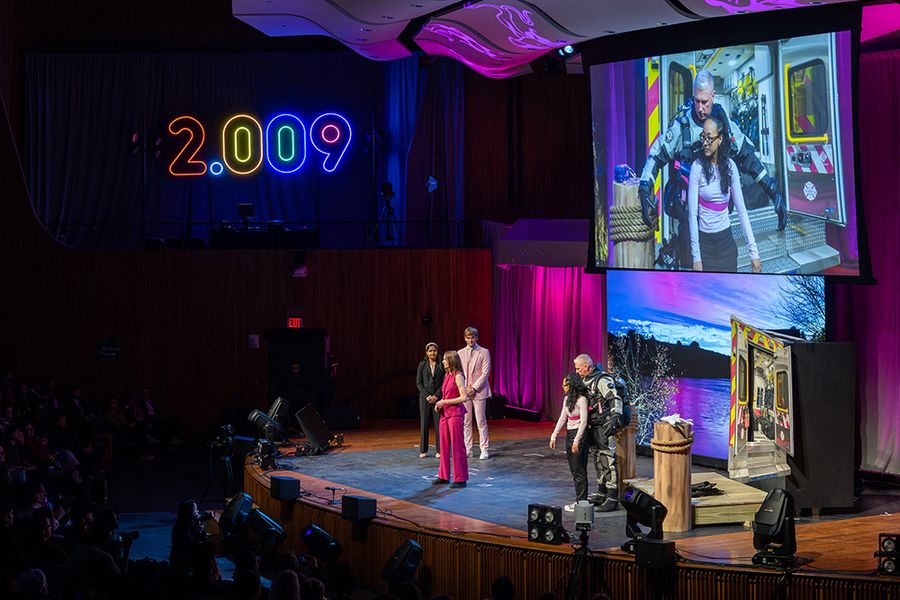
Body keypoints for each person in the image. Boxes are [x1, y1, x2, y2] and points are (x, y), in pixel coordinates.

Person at [637, 69, 786, 269]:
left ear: (713, 96)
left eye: (705, 102)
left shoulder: (726, 128)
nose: (700, 107)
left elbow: (750, 158)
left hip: (718, 227)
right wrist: (645, 188)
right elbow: (656, 156)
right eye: (697, 101)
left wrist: (773, 191)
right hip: (688, 221)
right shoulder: (682, 129)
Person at [688, 106, 762, 273]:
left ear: (720, 139)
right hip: (704, 243)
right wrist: (696, 257)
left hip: (726, 242)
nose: (705, 143)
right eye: (703, 137)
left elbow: (742, 211)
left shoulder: (730, 167)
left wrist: (754, 253)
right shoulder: (697, 168)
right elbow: (692, 214)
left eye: (710, 138)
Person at [574, 354, 624, 512]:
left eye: (578, 368)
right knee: (598, 459)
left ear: (586, 367)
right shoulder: (584, 380)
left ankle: (612, 498)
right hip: (593, 425)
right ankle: (602, 493)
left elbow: (614, 398)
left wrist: (615, 418)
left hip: (605, 425)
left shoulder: (602, 380)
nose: (576, 371)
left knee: (608, 460)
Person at [549, 374, 590, 512]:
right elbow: (562, 418)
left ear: (572, 385)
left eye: (565, 385)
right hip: (570, 434)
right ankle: (580, 500)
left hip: (580, 435)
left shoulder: (582, 400)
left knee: (579, 470)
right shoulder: (567, 399)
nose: (563, 387)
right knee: (574, 470)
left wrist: (576, 441)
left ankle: (581, 502)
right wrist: (554, 435)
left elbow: (584, 422)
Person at [432, 351, 468, 489]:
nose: (443, 362)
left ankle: (460, 478)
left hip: (455, 414)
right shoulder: (447, 375)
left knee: (457, 446)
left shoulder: (458, 376)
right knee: (444, 446)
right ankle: (444, 476)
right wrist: (440, 402)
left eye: (445, 360)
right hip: (444, 414)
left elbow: (463, 397)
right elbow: (446, 394)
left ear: (452, 361)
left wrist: (445, 401)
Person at [458, 327, 491, 460]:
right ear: (465, 338)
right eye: (468, 337)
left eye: (473, 337)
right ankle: (468, 448)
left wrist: (474, 388)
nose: (470, 340)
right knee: (466, 421)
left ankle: (484, 448)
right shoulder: (460, 353)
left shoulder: (484, 352)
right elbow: (459, 371)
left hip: (479, 391)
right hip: (465, 391)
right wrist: (464, 388)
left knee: (481, 420)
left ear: (476, 337)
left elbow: (485, 373)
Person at [416, 343, 444, 459]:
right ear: (426, 353)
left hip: (437, 398)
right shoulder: (422, 365)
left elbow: (443, 383)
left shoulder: (441, 365)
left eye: (434, 350)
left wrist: (436, 396)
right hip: (425, 399)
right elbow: (419, 383)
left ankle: (439, 450)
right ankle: (423, 450)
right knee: (424, 423)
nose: (433, 353)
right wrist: (428, 396)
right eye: (430, 351)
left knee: (439, 425)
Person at [170, 499, 207, 574]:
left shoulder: (194, 524)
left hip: (191, 557)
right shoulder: (180, 529)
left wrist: (201, 529)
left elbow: (203, 540)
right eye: (195, 510)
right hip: (182, 560)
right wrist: (198, 532)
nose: (198, 512)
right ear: (189, 512)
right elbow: (190, 546)